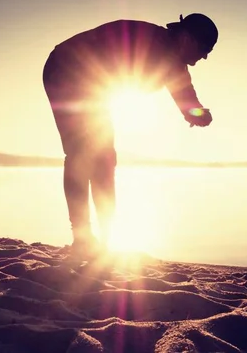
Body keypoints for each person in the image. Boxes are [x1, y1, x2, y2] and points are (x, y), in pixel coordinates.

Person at [42, 13, 217, 256]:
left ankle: (105, 240)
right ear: (187, 38)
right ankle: (83, 238)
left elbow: (188, 103)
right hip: (65, 68)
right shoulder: (147, 42)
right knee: (80, 155)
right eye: (204, 48)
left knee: (104, 158)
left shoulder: (175, 64)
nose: (204, 57)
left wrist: (200, 114)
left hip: (95, 88)